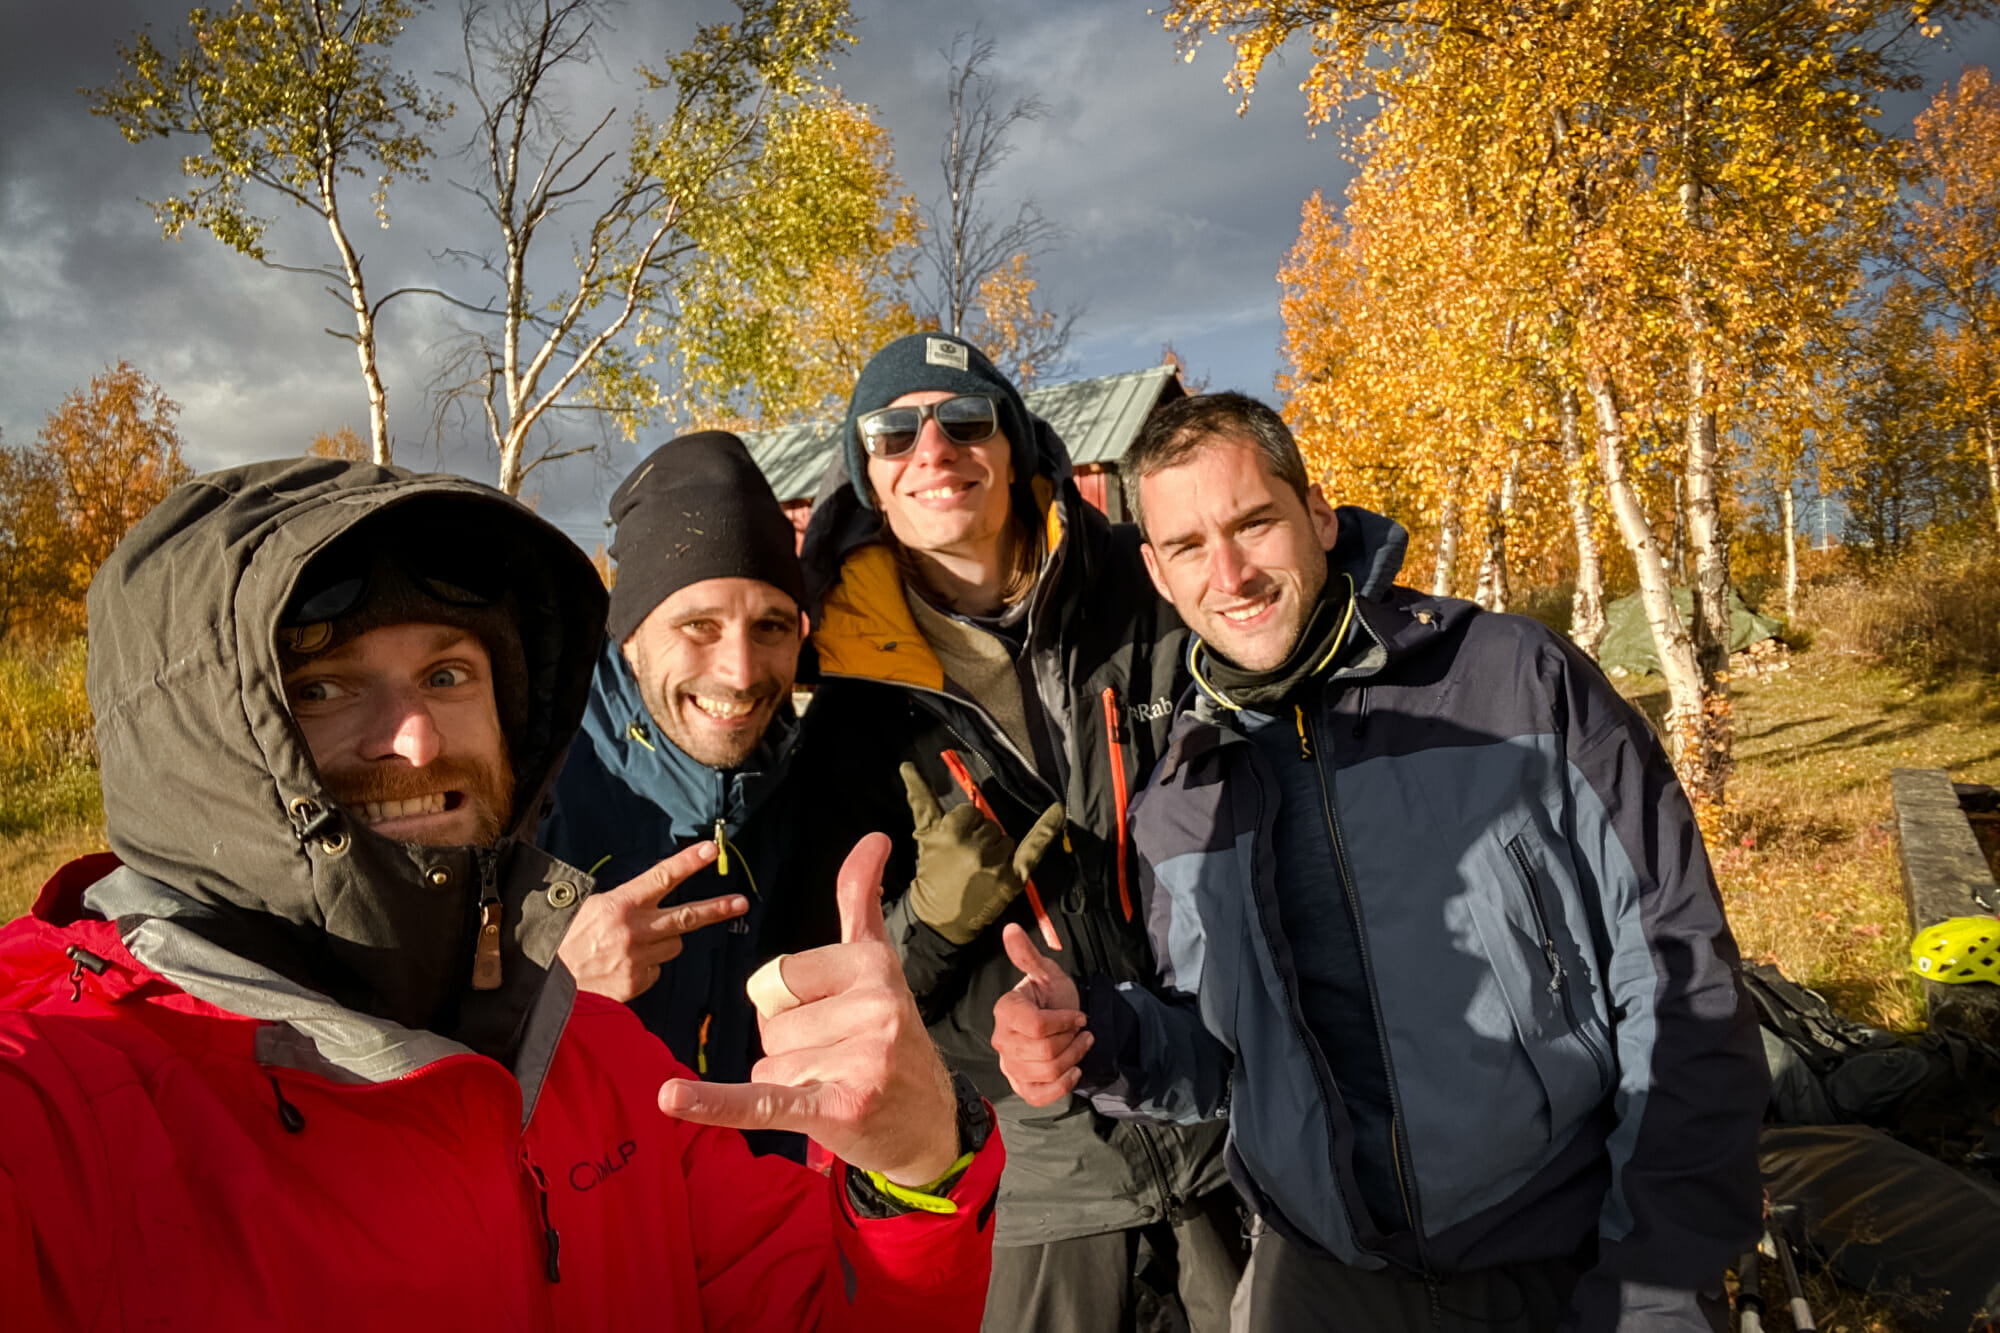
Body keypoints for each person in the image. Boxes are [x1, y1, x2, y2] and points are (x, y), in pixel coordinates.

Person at [0, 458, 1002, 1331]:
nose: (417, 738)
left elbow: (824, 1306)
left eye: (447, 674)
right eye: (321, 687)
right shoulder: (71, 1101)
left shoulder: (595, 1063)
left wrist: (917, 1169)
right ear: (194, 735)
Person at [990, 393, 1767, 1332]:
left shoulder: (1512, 680)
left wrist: (1660, 1281)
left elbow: (1679, 977)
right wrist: (1100, 1037)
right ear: (1156, 572)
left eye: (1253, 522)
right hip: (1322, 1284)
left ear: (1317, 515)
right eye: (1189, 546)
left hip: (1566, 1253)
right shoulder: (1181, 799)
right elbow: (1226, 1060)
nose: (1229, 573)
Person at [800, 333, 1245, 1333]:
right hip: (1040, 1185)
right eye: (891, 432)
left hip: (1231, 1126)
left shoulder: (1152, 602)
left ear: (1013, 448)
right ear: (866, 476)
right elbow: (850, 997)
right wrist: (936, 920)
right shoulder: (850, 710)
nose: (932, 450)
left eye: (962, 420)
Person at [545, 431, 839, 1108]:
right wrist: (548, 981)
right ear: (630, 635)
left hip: (747, 1191)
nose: (738, 673)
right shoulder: (527, 779)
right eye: (699, 625)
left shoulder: (802, 783)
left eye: (769, 626)